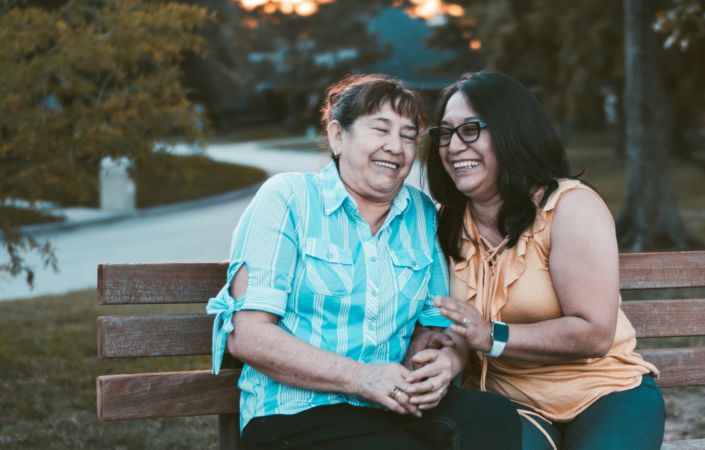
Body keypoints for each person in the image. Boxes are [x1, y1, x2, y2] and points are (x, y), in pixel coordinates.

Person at [206, 73, 521, 450]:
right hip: (293, 414)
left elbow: (435, 323)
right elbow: (248, 335)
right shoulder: (288, 199)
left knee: (490, 416)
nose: (396, 147)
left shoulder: (420, 214)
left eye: (407, 135)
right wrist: (361, 378)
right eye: (380, 129)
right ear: (338, 136)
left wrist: (441, 362)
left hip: (387, 406)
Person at [424, 71, 665, 450]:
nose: (453, 146)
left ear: (512, 132)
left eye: (470, 129)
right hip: (508, 404)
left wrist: (492, 335)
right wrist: (447, 360)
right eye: (445, 132)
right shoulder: (445, 223)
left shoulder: (569, 208)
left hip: (604, 394)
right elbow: (450, 326)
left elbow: (594, 333)